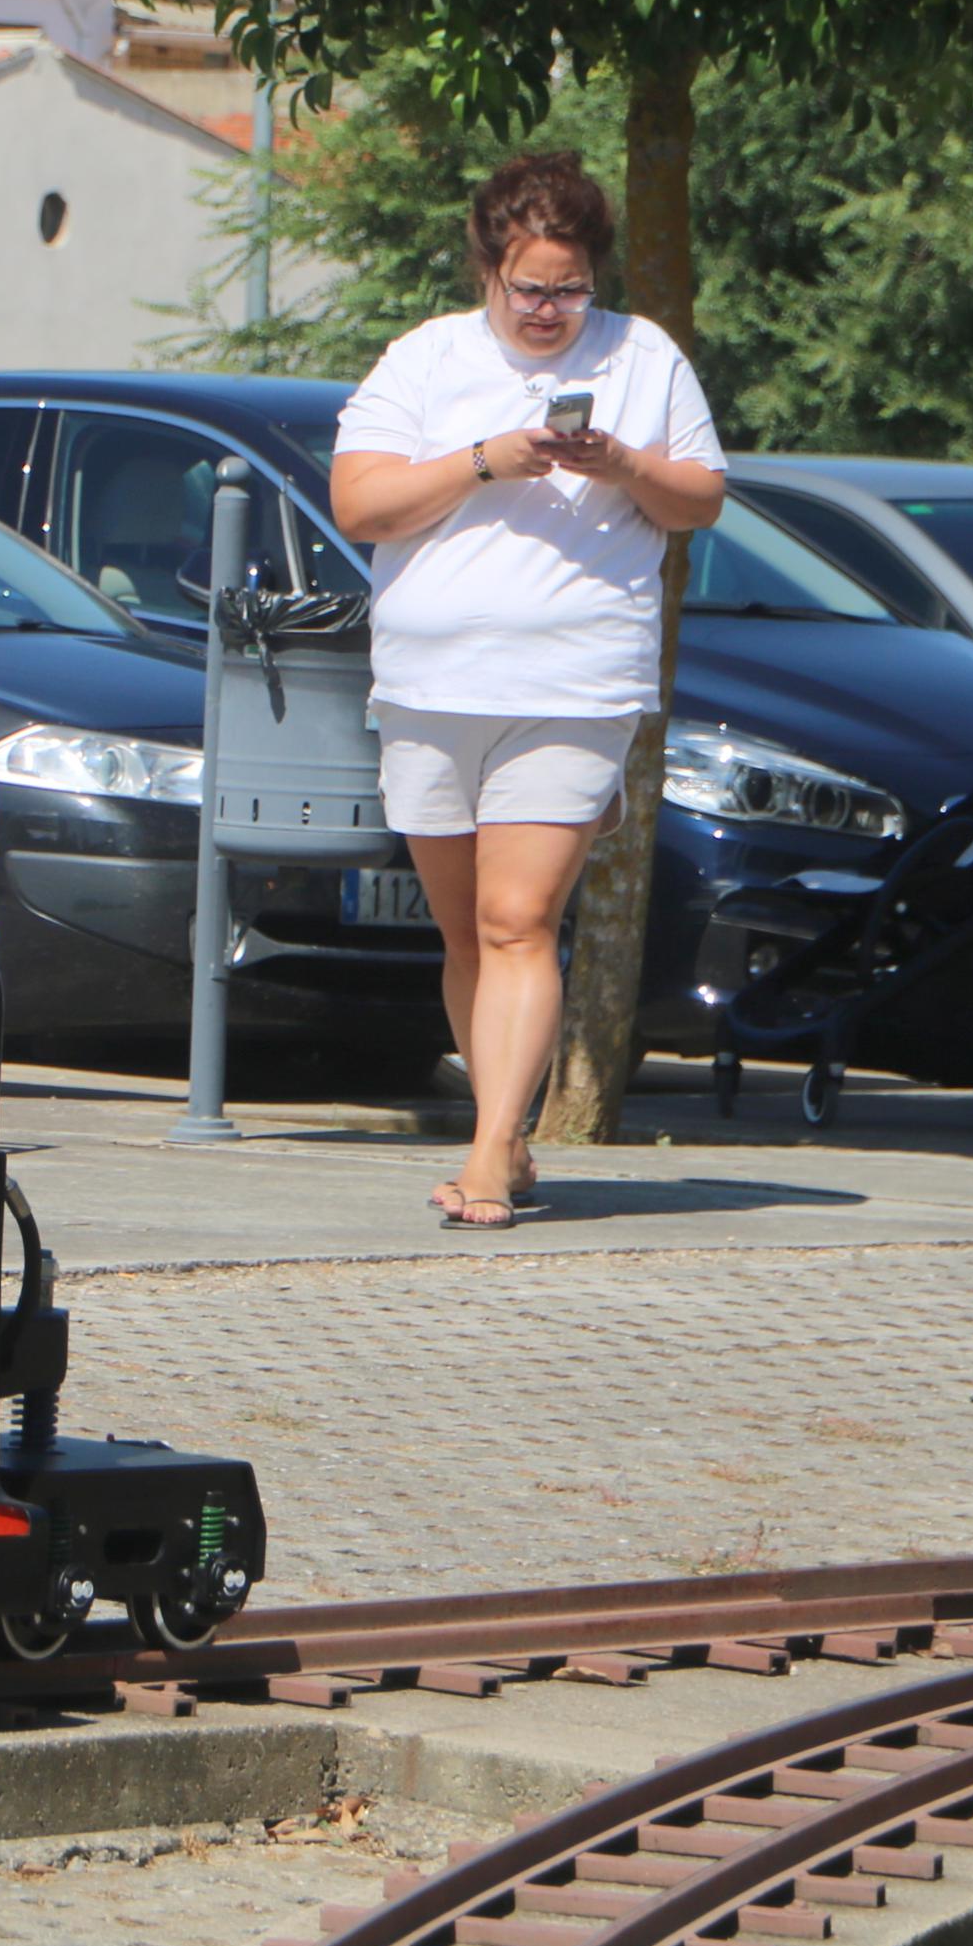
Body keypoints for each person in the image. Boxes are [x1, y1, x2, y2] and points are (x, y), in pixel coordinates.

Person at [327, 153, 726, 1233]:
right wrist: (485, 459)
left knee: (517, 918)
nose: (549, 311)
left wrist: (621, 466)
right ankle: (498, 1125)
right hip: (429, 682)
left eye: (568, 289)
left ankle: (493, 1156)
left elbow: (701, 497)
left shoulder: (643, 357)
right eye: (528, 289)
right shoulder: (423, 360)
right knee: (465, 933)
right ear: (486, 271)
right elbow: (359, 502)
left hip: (572, 678)